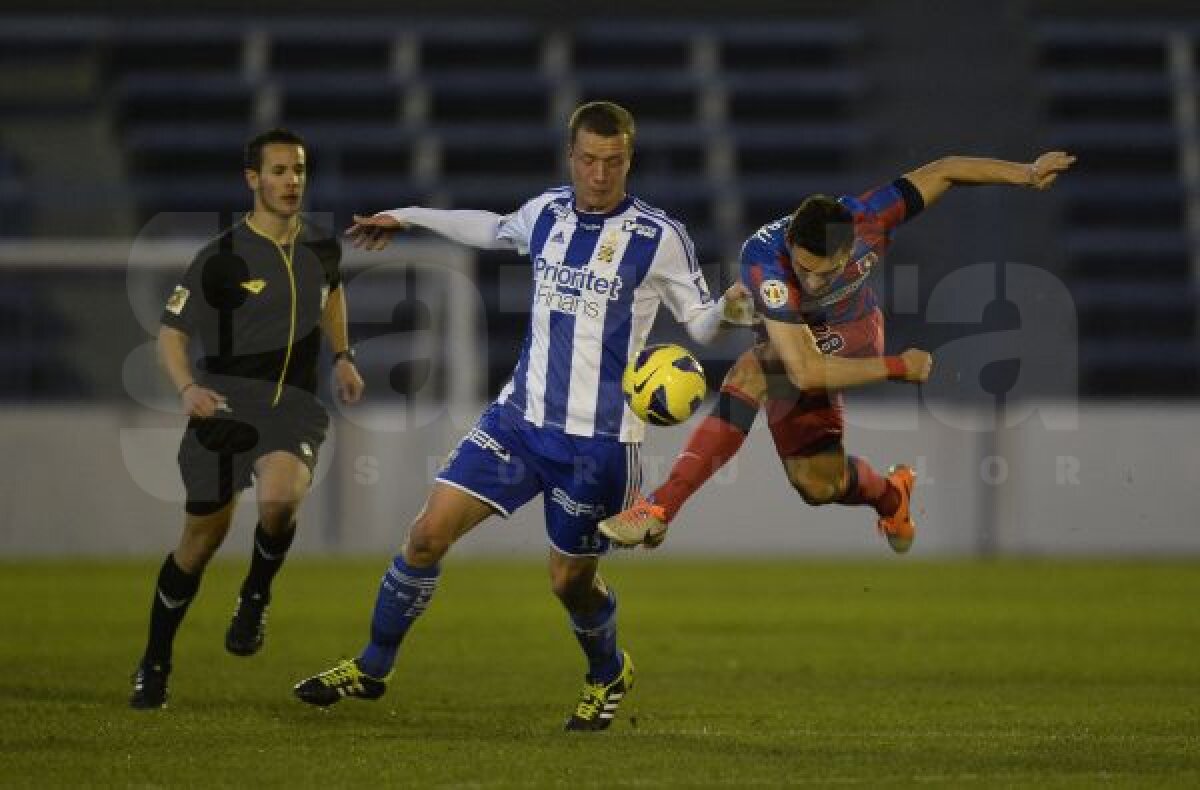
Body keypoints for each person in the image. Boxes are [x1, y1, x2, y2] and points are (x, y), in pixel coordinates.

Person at [292, 101, 748, 731]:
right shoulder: (548, 212)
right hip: (519, 421)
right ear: (572, 156)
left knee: (569, 583)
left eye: (612, 163)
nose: (599, 173)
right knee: (426, 536)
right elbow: (487, 227)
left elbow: (700, 323)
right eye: (589, 160)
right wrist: (406, 216)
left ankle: (607, 670)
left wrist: (730, 309)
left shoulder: (657, 237)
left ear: (628, 161)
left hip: (599, 446)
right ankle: (372, 667)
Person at [598, 151, 1077, 551]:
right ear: (791, 244)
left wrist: (1027, 174)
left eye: (824, 273)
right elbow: (805, 372)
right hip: (804, 349)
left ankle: (659, 506)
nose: (809, 280)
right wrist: (899, 368)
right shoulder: (765, 260)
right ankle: (892, 495)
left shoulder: (870, 216)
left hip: (855, 333)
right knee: (815, 484)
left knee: (753, 369)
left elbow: (946, 169)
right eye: (803, 269)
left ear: (850, 252)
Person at [129, 128, 365, 709]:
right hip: (227, 403)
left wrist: (343, 356)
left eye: (299, 170)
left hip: (294, 408)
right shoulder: (220, 258)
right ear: (252, 179)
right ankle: (155, 660)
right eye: (279, 171)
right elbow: (171, 332)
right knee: (198, 543)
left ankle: (255, 598)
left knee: (281, 498)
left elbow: (332, 293)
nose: (292, 182)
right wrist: (187, 388)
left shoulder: (321, 247)